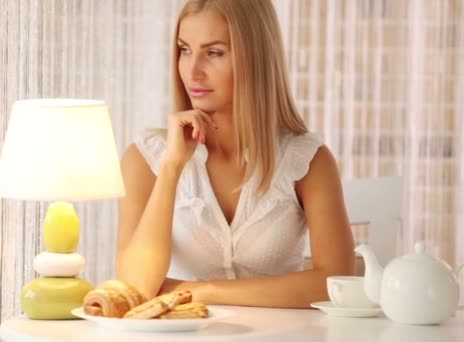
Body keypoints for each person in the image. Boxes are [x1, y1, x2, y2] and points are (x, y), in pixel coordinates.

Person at [115, 0, 355, 308]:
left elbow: (335, 281)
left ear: (255, 58)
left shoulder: (308, 160)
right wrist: (172, 167)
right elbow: (135, 288)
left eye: (213, 53)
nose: (193, 71)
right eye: (185, 50)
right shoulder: (144, 159)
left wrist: (202, 292)